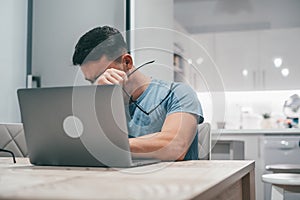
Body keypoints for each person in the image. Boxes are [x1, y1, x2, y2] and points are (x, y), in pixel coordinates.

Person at [72, 26, 203, 161]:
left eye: (103, 75)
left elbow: (175, 147)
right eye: (93, 81)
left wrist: (108, 146)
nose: (100, 83)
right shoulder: (104, 102)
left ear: (127, 62)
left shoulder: (178, 93)